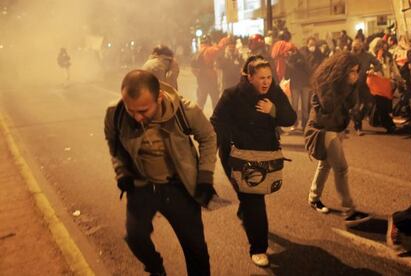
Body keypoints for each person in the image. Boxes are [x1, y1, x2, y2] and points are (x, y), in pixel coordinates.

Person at [104, 70, 217, 276]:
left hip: (178, 187)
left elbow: (208, 137)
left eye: (143, 111)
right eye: (132, 110)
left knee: (195, 249)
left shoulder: (186, 110)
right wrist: (121, 171)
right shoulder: (116, 112)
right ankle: (156, 270)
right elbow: (114, 143)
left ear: (160, 98)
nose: (137, 117)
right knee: (135, 238)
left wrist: (205, 177)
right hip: (142, 186)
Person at [211, 56, 296, 267]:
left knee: (252, 199)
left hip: (264, 155)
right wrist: (210, 155)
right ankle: (258, 248)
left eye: (269, 77)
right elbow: (216, 122)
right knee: (253, 201)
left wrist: (273, 111)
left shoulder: (275, 93)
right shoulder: (232, 95)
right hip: (237, 156)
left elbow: (290, 118)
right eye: (261, 78)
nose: (266, 82)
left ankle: (246, 213)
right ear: (249, 77)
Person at [305, 51, 371, 226]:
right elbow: (328, 107)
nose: (355, 75)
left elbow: (351, 105)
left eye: (357, 71)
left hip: (336, 128)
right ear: (342, 71)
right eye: (352, 71)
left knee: (326, 163)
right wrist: (345, 87)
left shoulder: (350, 86)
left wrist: (353, 87)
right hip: (321, 129)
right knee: (341, 168)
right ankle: (349, 210)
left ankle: (313, 197)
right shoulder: (326, 84)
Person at [351, 39, 382, 135]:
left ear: (362, 46)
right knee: (356, 106)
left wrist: (373, 69)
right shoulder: (350, 56)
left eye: (358, 45)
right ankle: (358, 127)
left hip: (366, 84)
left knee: (369, 104)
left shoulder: (368, 56)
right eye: (355, 45)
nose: (357, 47)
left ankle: (358, 118)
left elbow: (378, 64)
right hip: (354, 85)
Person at [191, 35, 227, 111]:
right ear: (209, 42)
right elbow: (219, 48)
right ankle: (216, 121)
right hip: (211, 80)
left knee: (200, 103)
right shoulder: (208, 50)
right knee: (216, 102)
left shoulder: (199, 51)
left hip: (201, 80)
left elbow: (193, 69)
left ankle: (197, 119)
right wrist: (225, 39)